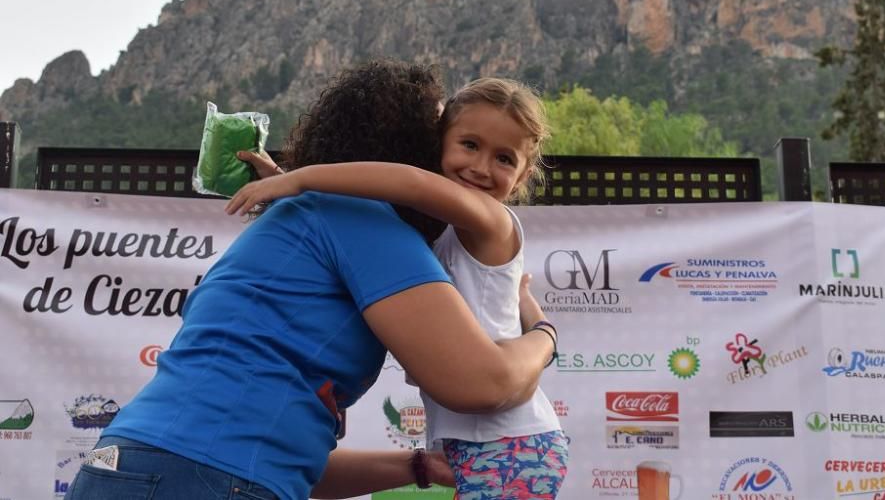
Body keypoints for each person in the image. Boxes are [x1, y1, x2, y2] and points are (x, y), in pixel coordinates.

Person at [64, 62, 556, 500]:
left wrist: (418, 467)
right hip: (205, 476)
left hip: (122, 465)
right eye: (456, 140)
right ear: (419, 149)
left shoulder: (297, 220)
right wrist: (544, 338)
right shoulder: (366, 223)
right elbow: (482, 384)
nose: (470, 165)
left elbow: (293, 466)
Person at [228, 77, 568, 499]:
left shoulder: (493, 221)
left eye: (504, 158)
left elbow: (412, 184)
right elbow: (362, 212)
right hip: (474, 443)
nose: (481, 168)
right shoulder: (435, 230)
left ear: (522, 177)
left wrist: (299, 179)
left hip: (511, 441)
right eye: (469, 145)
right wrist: (283, 179)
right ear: (438, 145)